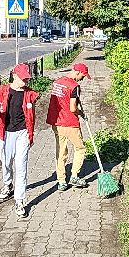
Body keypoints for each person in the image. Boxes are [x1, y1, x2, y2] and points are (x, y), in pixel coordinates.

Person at [0, 62, 40, 219]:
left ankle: (20, 200)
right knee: (6, 162)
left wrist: (29, 134)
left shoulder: (30, 94)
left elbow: (32, 111)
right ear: (14, 76)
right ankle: (7, 184)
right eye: (23, 79)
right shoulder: (3, 90)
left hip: (22, 134)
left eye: (27, 79)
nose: (25, 82)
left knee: (21, 166)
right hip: (5, 132)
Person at [46, 62, 90, 192]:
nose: (82, 79)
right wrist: (81, 113)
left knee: (61, 151)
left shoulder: (57, 82)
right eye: (83, 76)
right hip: (70, 123)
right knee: (80, 148)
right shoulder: (75, 86)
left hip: (56, 122)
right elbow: (72, 108)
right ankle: (74, 176)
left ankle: (61, 181)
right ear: (77, 72)